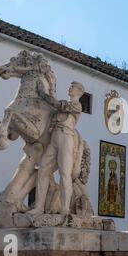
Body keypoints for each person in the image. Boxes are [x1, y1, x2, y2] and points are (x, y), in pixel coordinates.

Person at [27, 81, 85, 215]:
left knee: (65, 174)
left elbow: (58, 105)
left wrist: (43, 94)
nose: (70, 88)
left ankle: (65, 209)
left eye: (73, 87)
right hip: (55, 138)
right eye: (70, 86)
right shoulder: (64, 106)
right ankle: (39, 207)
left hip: (66, 137)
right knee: (43, 169)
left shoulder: (76, 105)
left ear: (79, 91)